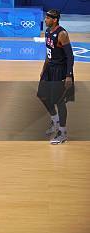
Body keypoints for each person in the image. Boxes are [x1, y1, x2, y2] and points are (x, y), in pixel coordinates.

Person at [37, 9, 75, 145]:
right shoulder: (47, 31)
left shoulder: (62, 34)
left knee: (59, 102)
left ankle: (63, 132)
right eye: (45, 17)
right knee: (42, 95)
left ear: (55, 20)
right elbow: (48, 53)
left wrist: (69, 75)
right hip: (49, 69)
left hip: (60, 71)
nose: (45, 20)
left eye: (48, 18)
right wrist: (43, 69)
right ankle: (55, 121)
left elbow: (70, 56)